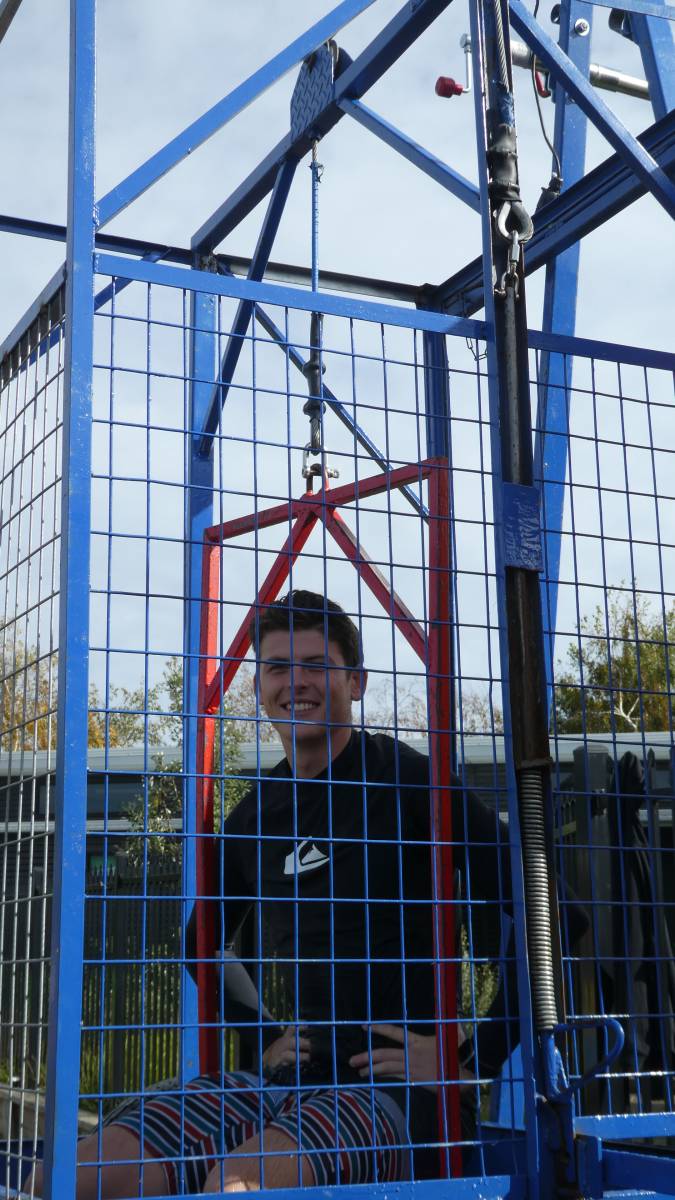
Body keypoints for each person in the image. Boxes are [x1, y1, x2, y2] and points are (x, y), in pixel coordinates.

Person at [29, 590, 524, 1197]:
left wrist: (472, 1061)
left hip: (400, 1096)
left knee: (235, 1184)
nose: (297, 683)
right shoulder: (256, 815)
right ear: (260, 686)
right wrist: (265, 1036)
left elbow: (553, 914)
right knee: (62, 1179)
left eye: (316, 665)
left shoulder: (410, 781)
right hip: (291, 1084)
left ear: (357, 681)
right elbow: (201, 945)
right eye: (278, 668)